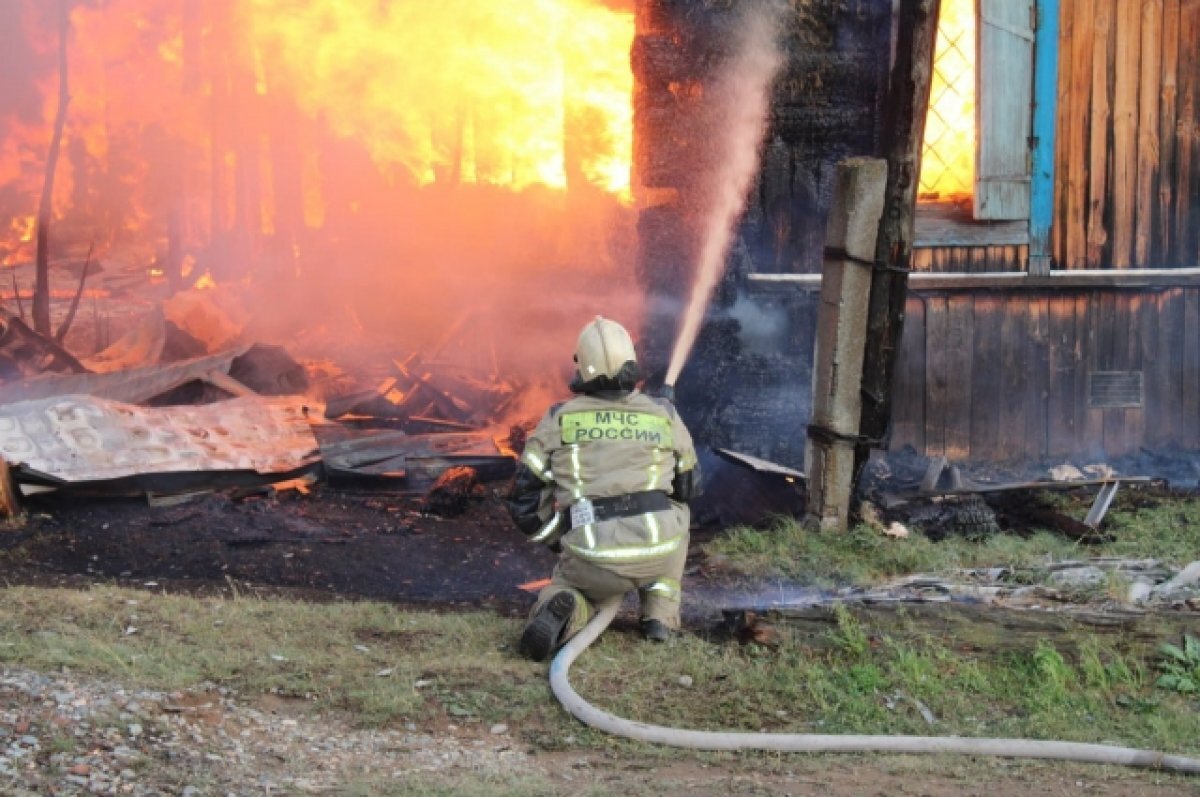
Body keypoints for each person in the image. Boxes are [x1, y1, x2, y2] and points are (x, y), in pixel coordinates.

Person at [505, 316, 701, 661]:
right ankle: (659, 616)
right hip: (658, 552)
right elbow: (689, 487)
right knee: (677, 511)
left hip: (592, 555)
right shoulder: (663, 413)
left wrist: (557, 538)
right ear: (631, 361)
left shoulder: (559, 418)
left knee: (571, 585)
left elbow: (524, 500)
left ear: (581, 366)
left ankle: (566, 605)